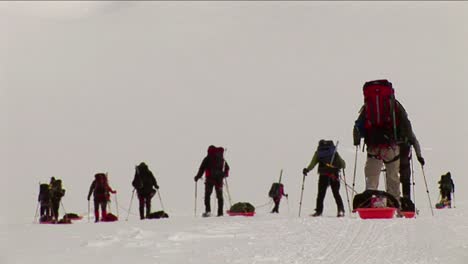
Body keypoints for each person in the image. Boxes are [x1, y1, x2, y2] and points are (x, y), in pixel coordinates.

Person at [353, 79, 417, 201]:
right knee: (393, 177)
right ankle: (394, 204)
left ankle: (372, 201)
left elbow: (358, 125)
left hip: (373, 146)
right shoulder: (395, 105)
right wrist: (409, 139)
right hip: (391, 146)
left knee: (372, 177)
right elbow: (406, 122)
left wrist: (357, 139)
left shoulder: (367, 106)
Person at [302, 140, 346, 217]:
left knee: (321, 194)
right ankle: (341, 210)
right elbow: (342, 164)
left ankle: (319, 211)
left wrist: (307, 169)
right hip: (333, 174)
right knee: (336, 193)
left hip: (323, 174)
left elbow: (313, 163)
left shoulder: (319, 152)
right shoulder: (333, 152)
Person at [194, 145, 230, 217]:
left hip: (209, 179)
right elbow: (227, 168)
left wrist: (197, 177)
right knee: (220, 196)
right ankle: (220, 213)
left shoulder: (207, 158)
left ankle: (208, 211)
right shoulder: (221, 159)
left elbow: (202, 169)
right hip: (219, 180)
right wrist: (224, 175)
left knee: (207, 195)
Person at [399, 131, 425, 201]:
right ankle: (406, 200)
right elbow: (415, 142)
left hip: (390, 158)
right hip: (404, 157)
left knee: (392, 179)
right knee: (406, 179)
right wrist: (419, 156)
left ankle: (393, 200)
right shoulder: (406, 127)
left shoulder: (389, 124)